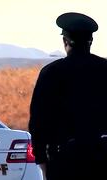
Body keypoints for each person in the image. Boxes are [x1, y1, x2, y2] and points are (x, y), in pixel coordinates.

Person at [29, 12, 107, 180]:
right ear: (91, 42)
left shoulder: (51, 73)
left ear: (65, 41)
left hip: (63, 160)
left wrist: (41, 159)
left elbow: (38, 121)